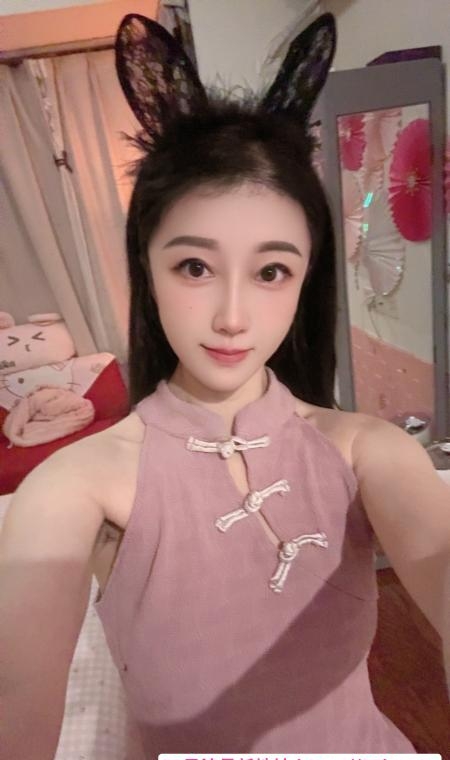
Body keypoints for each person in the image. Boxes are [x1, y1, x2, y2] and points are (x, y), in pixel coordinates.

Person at [1, 12, 449, 760]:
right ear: (147, 270)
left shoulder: (366, 450)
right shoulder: (74, 485)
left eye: (271, 271)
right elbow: (17, 697)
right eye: (194, 267)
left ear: (305, 282)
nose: (233, 316)